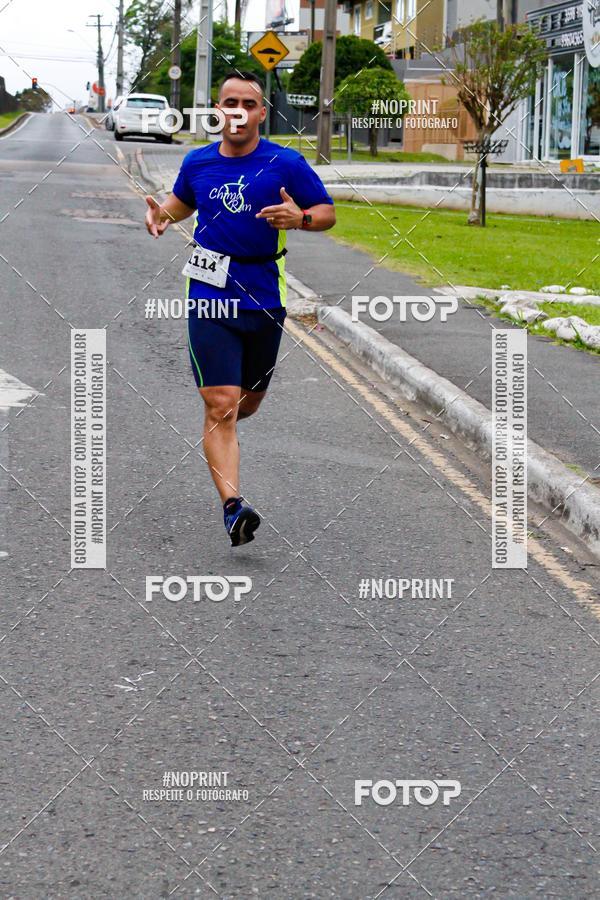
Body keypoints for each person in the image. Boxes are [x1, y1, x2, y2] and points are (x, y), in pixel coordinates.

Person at [145, 70, 336, 546]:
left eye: (247, 104)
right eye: (229, 102)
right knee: (221, 403)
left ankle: (225, 423)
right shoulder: (197, 162)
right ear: (218, 110)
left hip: (265, 293)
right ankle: (234, 507)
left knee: (246, 402)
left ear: (260, 112)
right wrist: (160, 216)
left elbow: (327, 212)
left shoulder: (285, 163)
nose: (238, 111)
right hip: (209, 289)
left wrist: (302, 217)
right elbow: (179, 205)